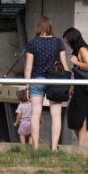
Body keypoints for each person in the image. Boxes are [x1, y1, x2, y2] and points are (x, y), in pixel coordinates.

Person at [24, 17, 69, 151]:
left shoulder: (33, 43)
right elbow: (64, 65)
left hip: (37, 80)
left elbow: (28, 67)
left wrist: (27, 86)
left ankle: (35, 146)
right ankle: (54, 147)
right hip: (54, 80)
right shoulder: (58, 42)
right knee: (56, 114)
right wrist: (66, 83)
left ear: (38, 28)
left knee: (35, 114)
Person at [62, 27, 88, 150]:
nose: (67, 45)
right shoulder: (77, 51)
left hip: (86, 89)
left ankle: (81, 146)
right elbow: (77, 73)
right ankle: (80, 145)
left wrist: (77, 62)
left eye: (67, 42)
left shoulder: (82, 49)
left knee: (82, 116)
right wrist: (72, 86)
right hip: (79, 87)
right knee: (74, 115)